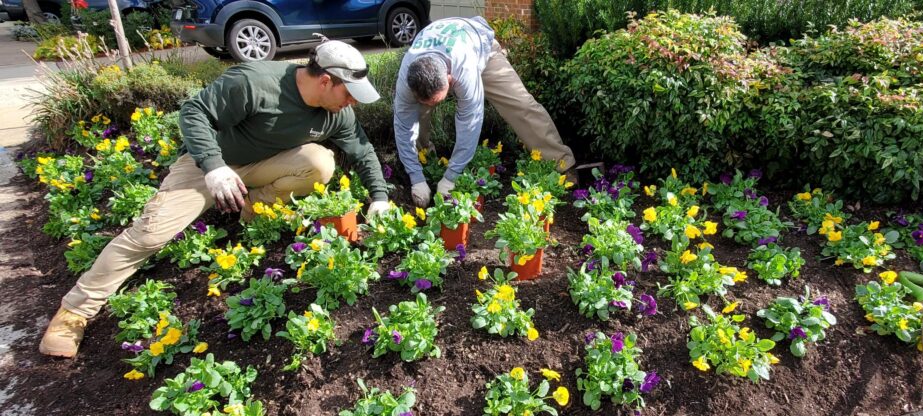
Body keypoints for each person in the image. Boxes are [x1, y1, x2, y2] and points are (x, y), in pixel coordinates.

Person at [40, 40, 392, 358]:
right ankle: (74, 311)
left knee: (319, 163)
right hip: (209, 167)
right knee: (151, 233)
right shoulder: (255, 82)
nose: (352, 102)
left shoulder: (337, 112)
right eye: (349, 93)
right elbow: (194, 113)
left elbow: (361, 151)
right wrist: (214, 167)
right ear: (326, 81)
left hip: (263, 167)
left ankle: (250, 207)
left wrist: (379, 198)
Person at [393, 16, 577, 207]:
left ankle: (561, 163)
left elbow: (470, 123)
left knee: (520, 104)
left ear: (450, 79)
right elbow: (403, 124)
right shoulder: (408, 77)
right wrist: (416, 178)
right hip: (442, 52)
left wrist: (451, 177)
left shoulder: (464, 71)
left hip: (480, 48)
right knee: (417, 114)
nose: (434, 106)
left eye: (436, 101)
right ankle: (424, 162)